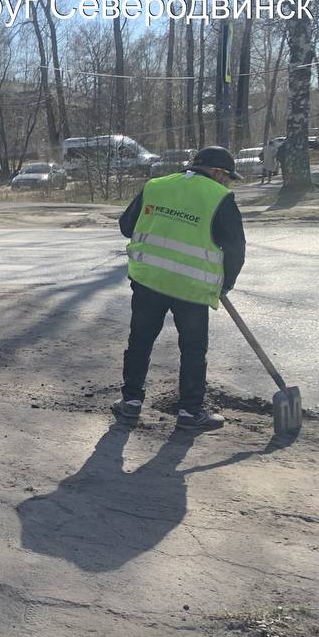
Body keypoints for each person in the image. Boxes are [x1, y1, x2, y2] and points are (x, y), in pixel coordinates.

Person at [112, 145, 246, 432]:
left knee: (140, 341)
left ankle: (130, 404)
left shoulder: (156, 186)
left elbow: (126, 226)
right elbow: (235, 249)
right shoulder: (220, 197)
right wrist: (226, 284)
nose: (226, 182)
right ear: (217, 171)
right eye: (226, 177)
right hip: (191, 288)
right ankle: (190, 412)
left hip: (149, 281)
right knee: (193, 349)